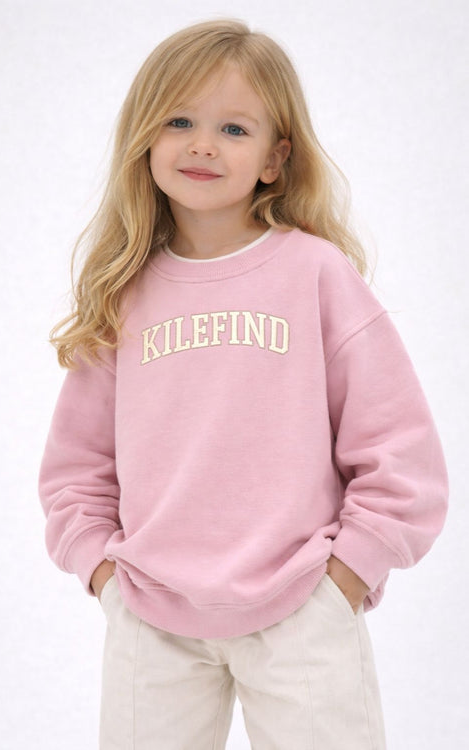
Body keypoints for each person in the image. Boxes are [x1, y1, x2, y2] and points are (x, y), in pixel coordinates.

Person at [38, 18, 449, 750]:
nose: (203, 144)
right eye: (179, 121)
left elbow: (400, 455)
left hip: (303, 609)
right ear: (143, 137)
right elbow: (77, 470)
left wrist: (346, 577)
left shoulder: (316, 275)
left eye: (233, 128)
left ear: (274, 158)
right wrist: (103, 574)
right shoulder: (124, 295)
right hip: (151, 617)